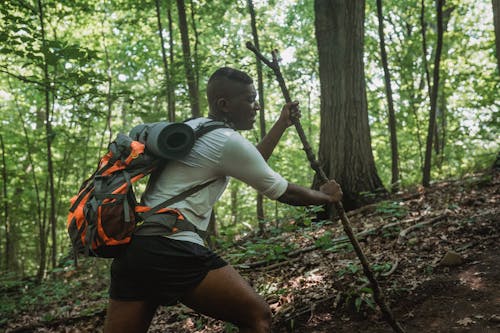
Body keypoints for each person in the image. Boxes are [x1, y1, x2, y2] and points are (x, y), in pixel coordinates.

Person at [103, 67, 342, 333]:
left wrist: (282, 123)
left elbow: (253, 160)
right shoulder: (226, 140)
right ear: (224, 104)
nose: (257, 106)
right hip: (171, 247)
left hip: (136, 250)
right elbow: (283, 191)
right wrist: (326, 197)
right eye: (250, 99)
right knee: (257, 318)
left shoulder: (194, 128)